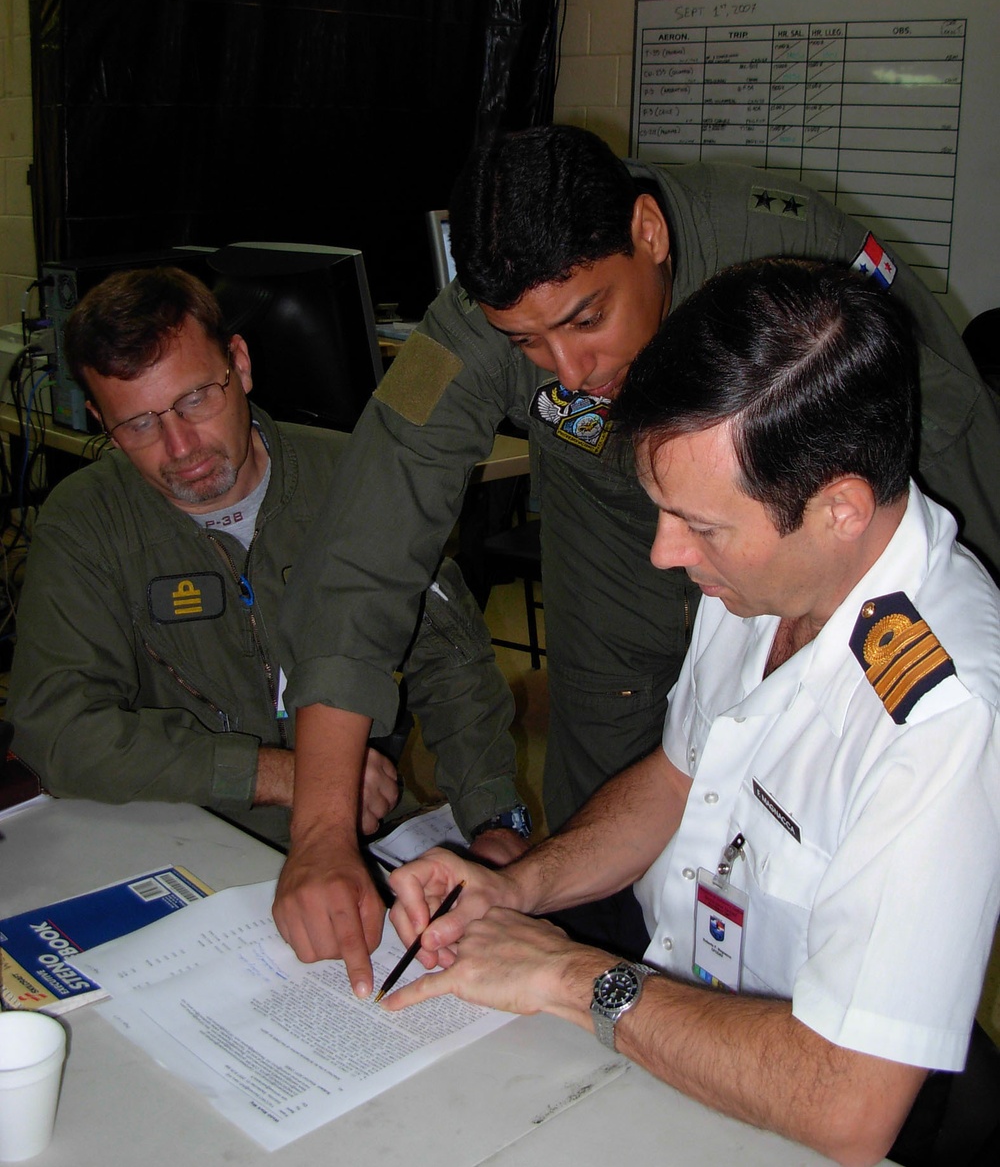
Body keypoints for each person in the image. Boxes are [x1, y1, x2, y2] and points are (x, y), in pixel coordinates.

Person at [275, 124, 1000, 988]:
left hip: (794, 527)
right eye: (529, 345)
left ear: (649, 235)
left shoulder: (795, 265)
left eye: (589, 318)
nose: (570, 370)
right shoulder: (486, 318)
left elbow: (944, 430)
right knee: (609, 797)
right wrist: (321, 830)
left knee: (813, 820)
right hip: (611, 526)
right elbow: (369, 541)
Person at [382, 258, 1000, 1167]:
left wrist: (564, 973)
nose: (667, 553)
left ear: (840, 508)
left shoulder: (945, 716)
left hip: (800, 1110)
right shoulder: (764, 572)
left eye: (700, 527)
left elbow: (847, 1105)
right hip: (674, 1026)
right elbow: (679, 778)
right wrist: (520, 887)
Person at [8, 267, 526, 861]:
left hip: (367, 830)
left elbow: (450, 666)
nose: (181, 448)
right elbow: (58, 730)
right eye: (139, 423)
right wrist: (279, 775)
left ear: (241, 364)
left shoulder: (358, 480)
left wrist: (495, 822)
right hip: (180, 833)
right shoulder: (87, 522)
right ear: (103, 422)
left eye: (195, 398)